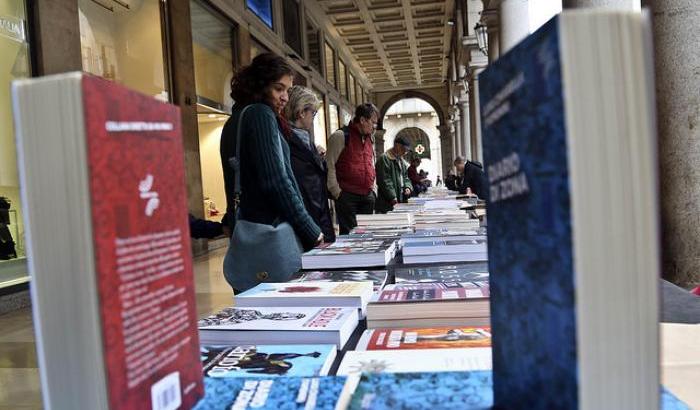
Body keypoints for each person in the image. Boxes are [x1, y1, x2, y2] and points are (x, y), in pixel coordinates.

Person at [220, 53, 323, 291]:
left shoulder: (235, 119)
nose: (285, 97)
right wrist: (311, 231)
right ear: (260, 84)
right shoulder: (260, 114)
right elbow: (276, 181)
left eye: (287, 90)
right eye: (279, 89)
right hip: (271, 235)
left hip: (248, 234)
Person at [283, 85, 336, 242]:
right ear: (301, 113)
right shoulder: (287, 142)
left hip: (316, 219)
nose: (313, 117)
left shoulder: (306, 140)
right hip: (308, 224)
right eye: (313, 112)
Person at [326, 103, 379, 234]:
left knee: (367, 235)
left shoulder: (369, 139)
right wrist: (337, 193)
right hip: (347, 196)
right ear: (362, 120)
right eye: (373, 123)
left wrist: (374, 190)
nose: (374, 127)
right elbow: (330, 166)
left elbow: (371, 163)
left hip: (367, 195)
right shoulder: (340, 136)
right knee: (350, 236)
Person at [375, 136, 413, 213]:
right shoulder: (385, 158)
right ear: (397, 146)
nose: (405, 153)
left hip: (399, 197)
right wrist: (392, 196)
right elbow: (385, 180)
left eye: (407, 151)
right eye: (404, 149)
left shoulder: (401, 160)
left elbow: (405, 177)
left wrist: (408, 187)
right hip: (387, 200)